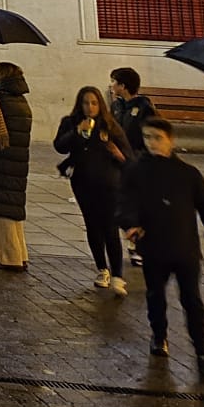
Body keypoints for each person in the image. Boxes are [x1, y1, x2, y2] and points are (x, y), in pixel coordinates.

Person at [120, 118, 204, 372]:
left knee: (192, 300)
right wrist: (130, 224)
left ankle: (203, 352)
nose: (152, 143)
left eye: (157, 137)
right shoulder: (136, 170)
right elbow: (125, 201)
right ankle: (159, 335)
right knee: (156, 295)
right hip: (154, 246)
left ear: (170, 140)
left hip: (184, 248)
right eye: (147, 138)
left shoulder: (188, 174)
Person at [54, 84, 129, 296]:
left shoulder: (110, 125)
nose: (90, 107)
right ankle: (102, 269)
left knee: (110, 227)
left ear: (100, 105)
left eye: (94, 103)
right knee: (92, 225)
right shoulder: (71, 123)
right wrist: (76, 132)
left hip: (108, 184)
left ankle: (118, 275)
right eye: (86, 103)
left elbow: (128, 156)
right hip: (83, 182)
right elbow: (60, 146)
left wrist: (117, 153)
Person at [0, 62, 32, 272]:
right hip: (15, 162)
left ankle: (9, 258)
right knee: (12, 209)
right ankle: (20, 254)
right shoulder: (20, 99)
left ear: (1, 76)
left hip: (1, 162)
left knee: (2, 210)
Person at [109, 68, 157, 157]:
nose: (111, 85)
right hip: (117, 154)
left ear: (122, 86)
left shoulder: (144, 108)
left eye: (113, 81)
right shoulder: (116, 106)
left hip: (136, 157)